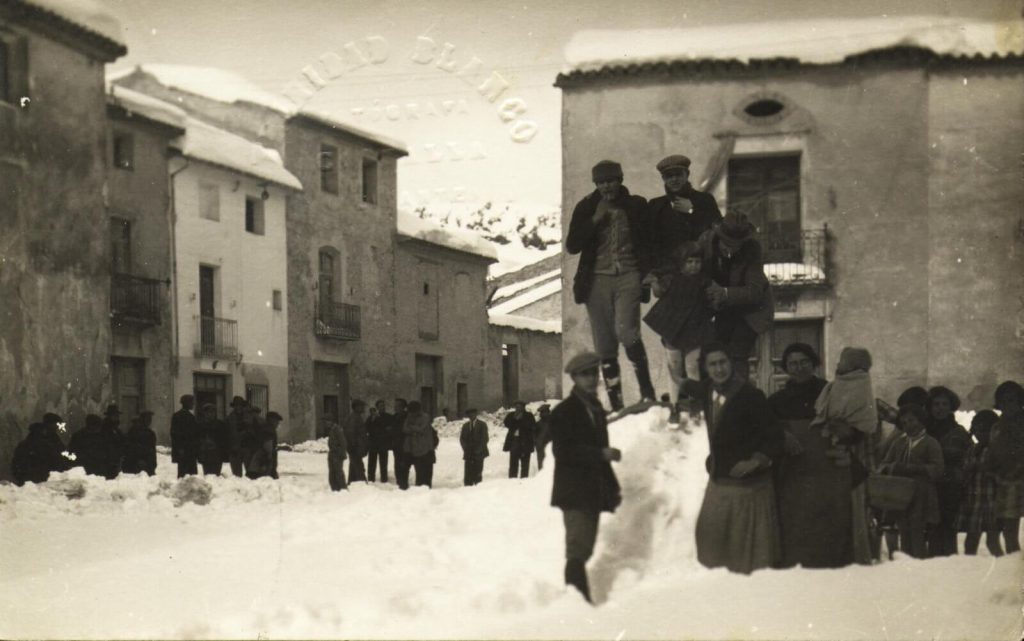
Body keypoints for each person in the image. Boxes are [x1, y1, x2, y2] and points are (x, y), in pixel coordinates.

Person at [681, 342, 783, 574]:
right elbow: (694, 387)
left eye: (723, 362)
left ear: (732, 364)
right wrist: (682, 382)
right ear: (706, 369)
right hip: (719, 480)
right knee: (710, 544)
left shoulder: (751, 395)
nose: (719, 369)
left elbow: (775, 437)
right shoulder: (708, 390)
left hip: (748, 488)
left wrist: (755, 461)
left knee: (745, 555)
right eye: (713, 364)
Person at [565, 159, 656, 409]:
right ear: (595, 184)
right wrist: (594, 220)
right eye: (601, 182)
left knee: (627, 332)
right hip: (596, 280)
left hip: (629, 275)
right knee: (604, 343)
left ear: (620, 180)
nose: (607, 186)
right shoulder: (586, 206)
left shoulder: (636, 205)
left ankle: (648, 393)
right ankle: (616, 404)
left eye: (611, 180)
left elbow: (649, 242)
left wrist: (649, 273)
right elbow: (572, 245)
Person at [550, 351, 623, 603]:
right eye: (585, 374)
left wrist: (612, 486)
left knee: (585, 548)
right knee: (578, 550)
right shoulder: (566, 410)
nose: (592, 379)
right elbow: (562, 450)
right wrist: (600, 454)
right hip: (574, 491)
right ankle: (577, 604)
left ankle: (578, 601)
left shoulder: (595, 408)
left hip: (591, 490)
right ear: (574, 378)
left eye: (594, 373)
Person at [698, 212, 774, 379]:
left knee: (737, 356)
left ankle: (739, 398)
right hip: (723, 309)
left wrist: (724, 293)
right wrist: (710, 286)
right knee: (714, 353)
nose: (730, 251)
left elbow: (754, 292)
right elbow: (698, 270)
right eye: (727, 244)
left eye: (736, 245)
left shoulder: (752, 248)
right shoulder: (707, 241)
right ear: (719, 236)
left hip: (751, 311)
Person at [643, 241, 715, 408]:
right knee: (674, 367)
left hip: (695, 329)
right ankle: (674, 406)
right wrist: (654, 282)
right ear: (682, 263)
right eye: (689, 262)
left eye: (697, 262)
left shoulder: (704, 281)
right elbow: (659, 292)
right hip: (673, 329)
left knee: (693, 366)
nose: (694, 266)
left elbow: (711, 301)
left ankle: (695, 406)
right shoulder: (672, 278)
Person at [878, 403, 944, 559]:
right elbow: (884, 464)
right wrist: (890, 468)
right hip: (902, 497)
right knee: (904, 532)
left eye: (912, 420)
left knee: (918, 535)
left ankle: (920, 570)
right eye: (904, 422)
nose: (908, 425)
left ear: (921, 421)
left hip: (922, 495)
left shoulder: (930, 443)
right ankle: (907, 569)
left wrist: (910, 468)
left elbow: (937, 469)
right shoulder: (899, 443)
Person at [647, 154, 723, 272]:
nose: (674, 179)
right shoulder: (656, 205)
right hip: (668, 271)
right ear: (664, 179)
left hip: (699, 268)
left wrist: (692, 211)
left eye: (678, 174)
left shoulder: (705, 200)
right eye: (669, 176)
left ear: (687, 175)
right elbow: (651, 242)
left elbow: (717, 230)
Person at [926, 386, 971, 556]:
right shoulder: (924, 431)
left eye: (945, 404)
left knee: (949, 530)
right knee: (932, 529)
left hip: (952, 488)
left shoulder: (959, 433)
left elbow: (969, 456)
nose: (940, 408)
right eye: (936, 404)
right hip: (930, 487)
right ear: (930, 407)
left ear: (951, 406)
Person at [956, 410, 1003, 556]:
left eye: (985, 430)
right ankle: (971, 572)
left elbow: (1002, 476)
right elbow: (964, 476)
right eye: (977, 430)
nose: (980, 434)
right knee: (970, 542)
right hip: (974, 502)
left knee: (992, 542)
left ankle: (1002, 569)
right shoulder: (972, 450)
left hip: (992, 503)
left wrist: (986, 469)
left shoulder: (997, 451)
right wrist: (968, 471)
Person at [986, 380, 1024, 554]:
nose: (1007, 405)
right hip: (996, 484)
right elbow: (992, 453)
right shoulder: (996, 427)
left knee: (1010, 535)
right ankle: (1003, 570)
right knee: (991, 539)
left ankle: (1013, 572)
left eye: (1012, 400)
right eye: (1003, 401)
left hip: (1015, 484)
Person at [767, 344, 828, 421]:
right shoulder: (776, 401)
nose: (800, 368)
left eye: (804, 362)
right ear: (786, 368)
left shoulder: (828, 392)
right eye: (793, 364)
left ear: (813, 363)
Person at [403, 401, 434, 488]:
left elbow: (422, 429)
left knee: (426, 473)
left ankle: (426, 491)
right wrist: (415, 429)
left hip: (425, 449)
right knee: (419, 472)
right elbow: (404, 429)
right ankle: (419, 491)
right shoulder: (409, 417)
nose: (411, 413)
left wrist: (412, 427)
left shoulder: (425, 417)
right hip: (414, 449)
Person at [504, 401, 537, 478]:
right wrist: (515, 419)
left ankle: (524, 479)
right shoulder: (511, 415)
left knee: (525, 463)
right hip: (514, 442)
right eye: (516, 407)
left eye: (519, 407)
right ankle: (512, 479)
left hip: (525, 442)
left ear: (523, 407)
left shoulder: (529, 415)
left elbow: (532, 426)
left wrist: (521, 421)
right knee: (513, 462)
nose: (518, 408)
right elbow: (507, 424)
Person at [171, 395, 200, 478]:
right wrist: (179, 448)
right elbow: (175, 434)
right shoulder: (178, 416)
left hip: (190, 450)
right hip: (183, 450)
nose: (193, 404)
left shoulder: (191, 417)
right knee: (183, 474)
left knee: (191, 474)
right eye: (191, 402)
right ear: (186, 403)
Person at [246, 411, 281, 480]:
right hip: (262, 463)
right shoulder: (269, 430)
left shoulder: (264, 428)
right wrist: (269, 463)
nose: (278, 423)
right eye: (276, 421)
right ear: (272, 420)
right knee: (264, 481)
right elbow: (268, 447)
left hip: (258, 462)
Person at [121, 411, 157, 476]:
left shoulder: (151, 433)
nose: (149, 421)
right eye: (147, 419)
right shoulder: (134, 432)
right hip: (136, 466)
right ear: (142, 420)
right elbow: (131, 449)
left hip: (148, 466)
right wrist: (138, 461)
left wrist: (153, 465)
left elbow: (152, 451)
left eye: (150, 419)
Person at [459, 408, 489, 486]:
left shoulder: (482, 424)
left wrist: (479, 449)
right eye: (469, 414)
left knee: (478, 472)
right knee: (468, 472)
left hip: (479, 453)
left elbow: (485, 438)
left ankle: (477, 488)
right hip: (468, 452)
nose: (471, 415)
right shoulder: (465, 426)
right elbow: (462, 439)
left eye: (473, 414)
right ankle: (468, 487)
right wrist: (465, 448)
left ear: (476, 414)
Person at [197, 403, 228, 476]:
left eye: (213, 412)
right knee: (207, 475)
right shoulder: (200, 425)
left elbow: (224, 440)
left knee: (216, 475)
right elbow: (198, 439)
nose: (211, 414)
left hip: (217, 455)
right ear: (204, 413)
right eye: (208, 412)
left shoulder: (220, 424)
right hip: (205, 454)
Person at [366, 399, 392, 483]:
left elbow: (390, 428)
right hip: (373, 443)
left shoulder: (388, 417)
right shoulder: (371, 417)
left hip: (383, 443)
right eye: (381, 406)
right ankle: (371, 479)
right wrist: (372, 419)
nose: (383, 408)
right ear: (377, 407)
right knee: (372, 462)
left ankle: (384, 479)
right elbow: (367, 428)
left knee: (383, 463)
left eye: (384, 406)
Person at [345, 400, 369, 484]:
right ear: (356, 407)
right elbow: (350, 433)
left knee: (354, 466)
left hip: (356, 448)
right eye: (361, 406)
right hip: (355, 448)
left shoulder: (357, 417)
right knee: (358, 467)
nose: (363, 408)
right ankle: (362, 484)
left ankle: (351, 483)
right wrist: (353, 447)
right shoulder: (354, 418)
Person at [224, 396, 248, 477]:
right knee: (237, 475)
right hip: (234, 450)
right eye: (236, 405)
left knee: (251, 474)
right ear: (234, 406)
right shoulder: (229, 419)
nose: (238, 407)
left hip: (247, 449)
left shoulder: (248, 418)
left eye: (240, 405)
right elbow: (226, 435)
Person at [100, 403, 125, 479]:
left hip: (115, 462)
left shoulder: (117, 430)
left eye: (117, 415)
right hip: (106, 462)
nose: (117, 417)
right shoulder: (104, 428)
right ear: (109, 416)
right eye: (114, 415)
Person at [392, 398, 411, 489]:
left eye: (397, 406)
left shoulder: (407, 417)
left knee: (404, 465)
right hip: (396, 445)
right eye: (395, 406)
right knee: (397, 465)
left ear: (403, 407)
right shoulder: (395, 416)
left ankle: (403, 484)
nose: (395, 407)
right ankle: (399, 482)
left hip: (405, 445)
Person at [327, 419, 348, 492]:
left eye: (327, 421)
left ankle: (342, 489)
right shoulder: (332, 429)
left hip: (337, 454)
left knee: (338, 472)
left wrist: (342, 453)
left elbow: (343, 443)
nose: (326, 423)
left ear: (332, 421)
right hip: (333, 453)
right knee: (332, 473)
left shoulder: (337, 430)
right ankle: (335, 489)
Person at [535, 404, 552, 470]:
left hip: (551, 447)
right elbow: (534, 435)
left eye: (545, 412)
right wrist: (537, 443)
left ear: (548, 412)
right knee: (542, 465)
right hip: (541, 447)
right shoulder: (538, 424)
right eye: (542, 413)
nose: (543, 414)